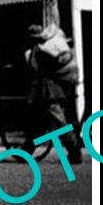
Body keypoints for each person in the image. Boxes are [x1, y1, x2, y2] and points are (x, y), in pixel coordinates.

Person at [24, 22, 82, 164]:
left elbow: (36, 75)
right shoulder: (49, 49)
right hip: (54, 92)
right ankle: (25, 152)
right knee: (39, 124)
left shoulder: (37, 53)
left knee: (59, 124)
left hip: (48, 93)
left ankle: (75, 152)